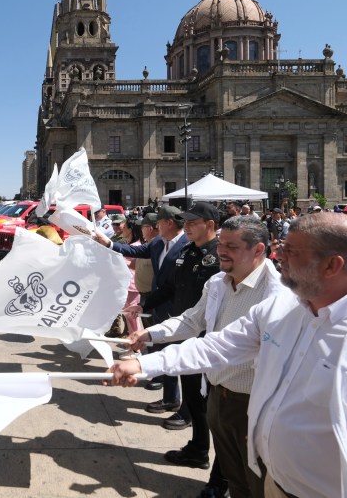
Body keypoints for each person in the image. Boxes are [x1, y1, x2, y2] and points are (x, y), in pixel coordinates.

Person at [108, 212, 347, 498]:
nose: (279, 256)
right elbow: (218, 345)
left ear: (332, 265)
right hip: (275, 481)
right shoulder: (280, 309)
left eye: (291, 251)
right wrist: (144, 363)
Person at [125, 215, 280, 498]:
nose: (221, 251)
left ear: (258, 249)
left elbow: (219, 346)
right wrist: (151, 334)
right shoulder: (218, 282)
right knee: (234, 477)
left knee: (256, 483)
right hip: (218, 392)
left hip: (251, 402)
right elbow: (192, 320)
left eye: (231, 246)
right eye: (221, 244)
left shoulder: (277, 295)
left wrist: (145, 364)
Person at [140, 202, 220, 462]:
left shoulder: (220, 256)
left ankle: (212, 459)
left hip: (208, 337)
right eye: (185, 222)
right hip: (184, 329)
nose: (186, 227)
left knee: (209, 401)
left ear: (210, 225)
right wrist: (142, 305)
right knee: (193, 395)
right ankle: (198, 448)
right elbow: (170, 287)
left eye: (192, 223)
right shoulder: (187, 251)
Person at [93, 205, 188, 401]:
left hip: (179, 307)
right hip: (158, 301)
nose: (156, 226)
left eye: (159, 222)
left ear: (169, 223)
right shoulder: (158, 242)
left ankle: (179, 403)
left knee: (178, 354)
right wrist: (108, 244)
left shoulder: (187, 244)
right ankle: (169, 397)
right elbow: (136, 251)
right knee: (161, 347)